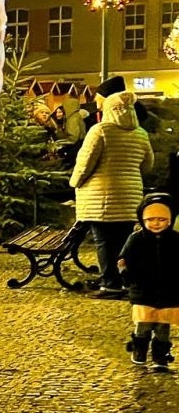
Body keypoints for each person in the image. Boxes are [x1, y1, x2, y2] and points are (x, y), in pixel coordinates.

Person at [70, 76, 152, 299]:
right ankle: (124, 281)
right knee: (125, 242)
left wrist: (74, 182)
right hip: (130, 196)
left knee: (104, 241)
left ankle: (110, 284)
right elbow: (147, 164)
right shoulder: (141, 134)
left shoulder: (100, 131)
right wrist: (131, 178)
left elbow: (85, 163)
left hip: (101, 198)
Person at [117, 193, 179, 373]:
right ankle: (139, 349)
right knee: (143, 324)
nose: (156, 223)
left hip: (169, 292)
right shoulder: (136, 239)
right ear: (142, 219)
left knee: (162, 327)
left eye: (161, 219)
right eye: (151, 219)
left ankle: (160, 357)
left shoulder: (176, 240)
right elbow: (123, 259)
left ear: (170, 219)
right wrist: (127, 275)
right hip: (142, 290)